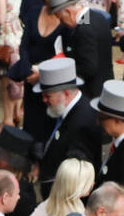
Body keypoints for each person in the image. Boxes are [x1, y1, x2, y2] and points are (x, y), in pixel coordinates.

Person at [6, 0, 69, 147]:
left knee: (50, 124)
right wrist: (27, 70)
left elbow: (68, 54)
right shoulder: (34, 13)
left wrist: (42, 74)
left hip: (53, 82)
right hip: (30, 78)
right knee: (31, 123)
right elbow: (24, 45)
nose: (51, 2)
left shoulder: (67, 20)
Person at [34, 56, 100, 198]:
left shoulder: (83, 122)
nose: (43, 100)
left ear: (66, 93)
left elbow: (78, 175)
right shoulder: (60, 108)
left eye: (48, 96)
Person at [51, 0, 112, 94]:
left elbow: (88, 68)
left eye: (61, 18)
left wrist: (62, 67)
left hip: (91, 91)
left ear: (68, 12)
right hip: (104, 85)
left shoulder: (84, 30)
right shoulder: (97, 17)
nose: (61, 23)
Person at [0, 0, 27, 129]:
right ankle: (17, 113)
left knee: (7, 81)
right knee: (18, 79)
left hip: (4, 38)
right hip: (17, 33)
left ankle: (7, 120)